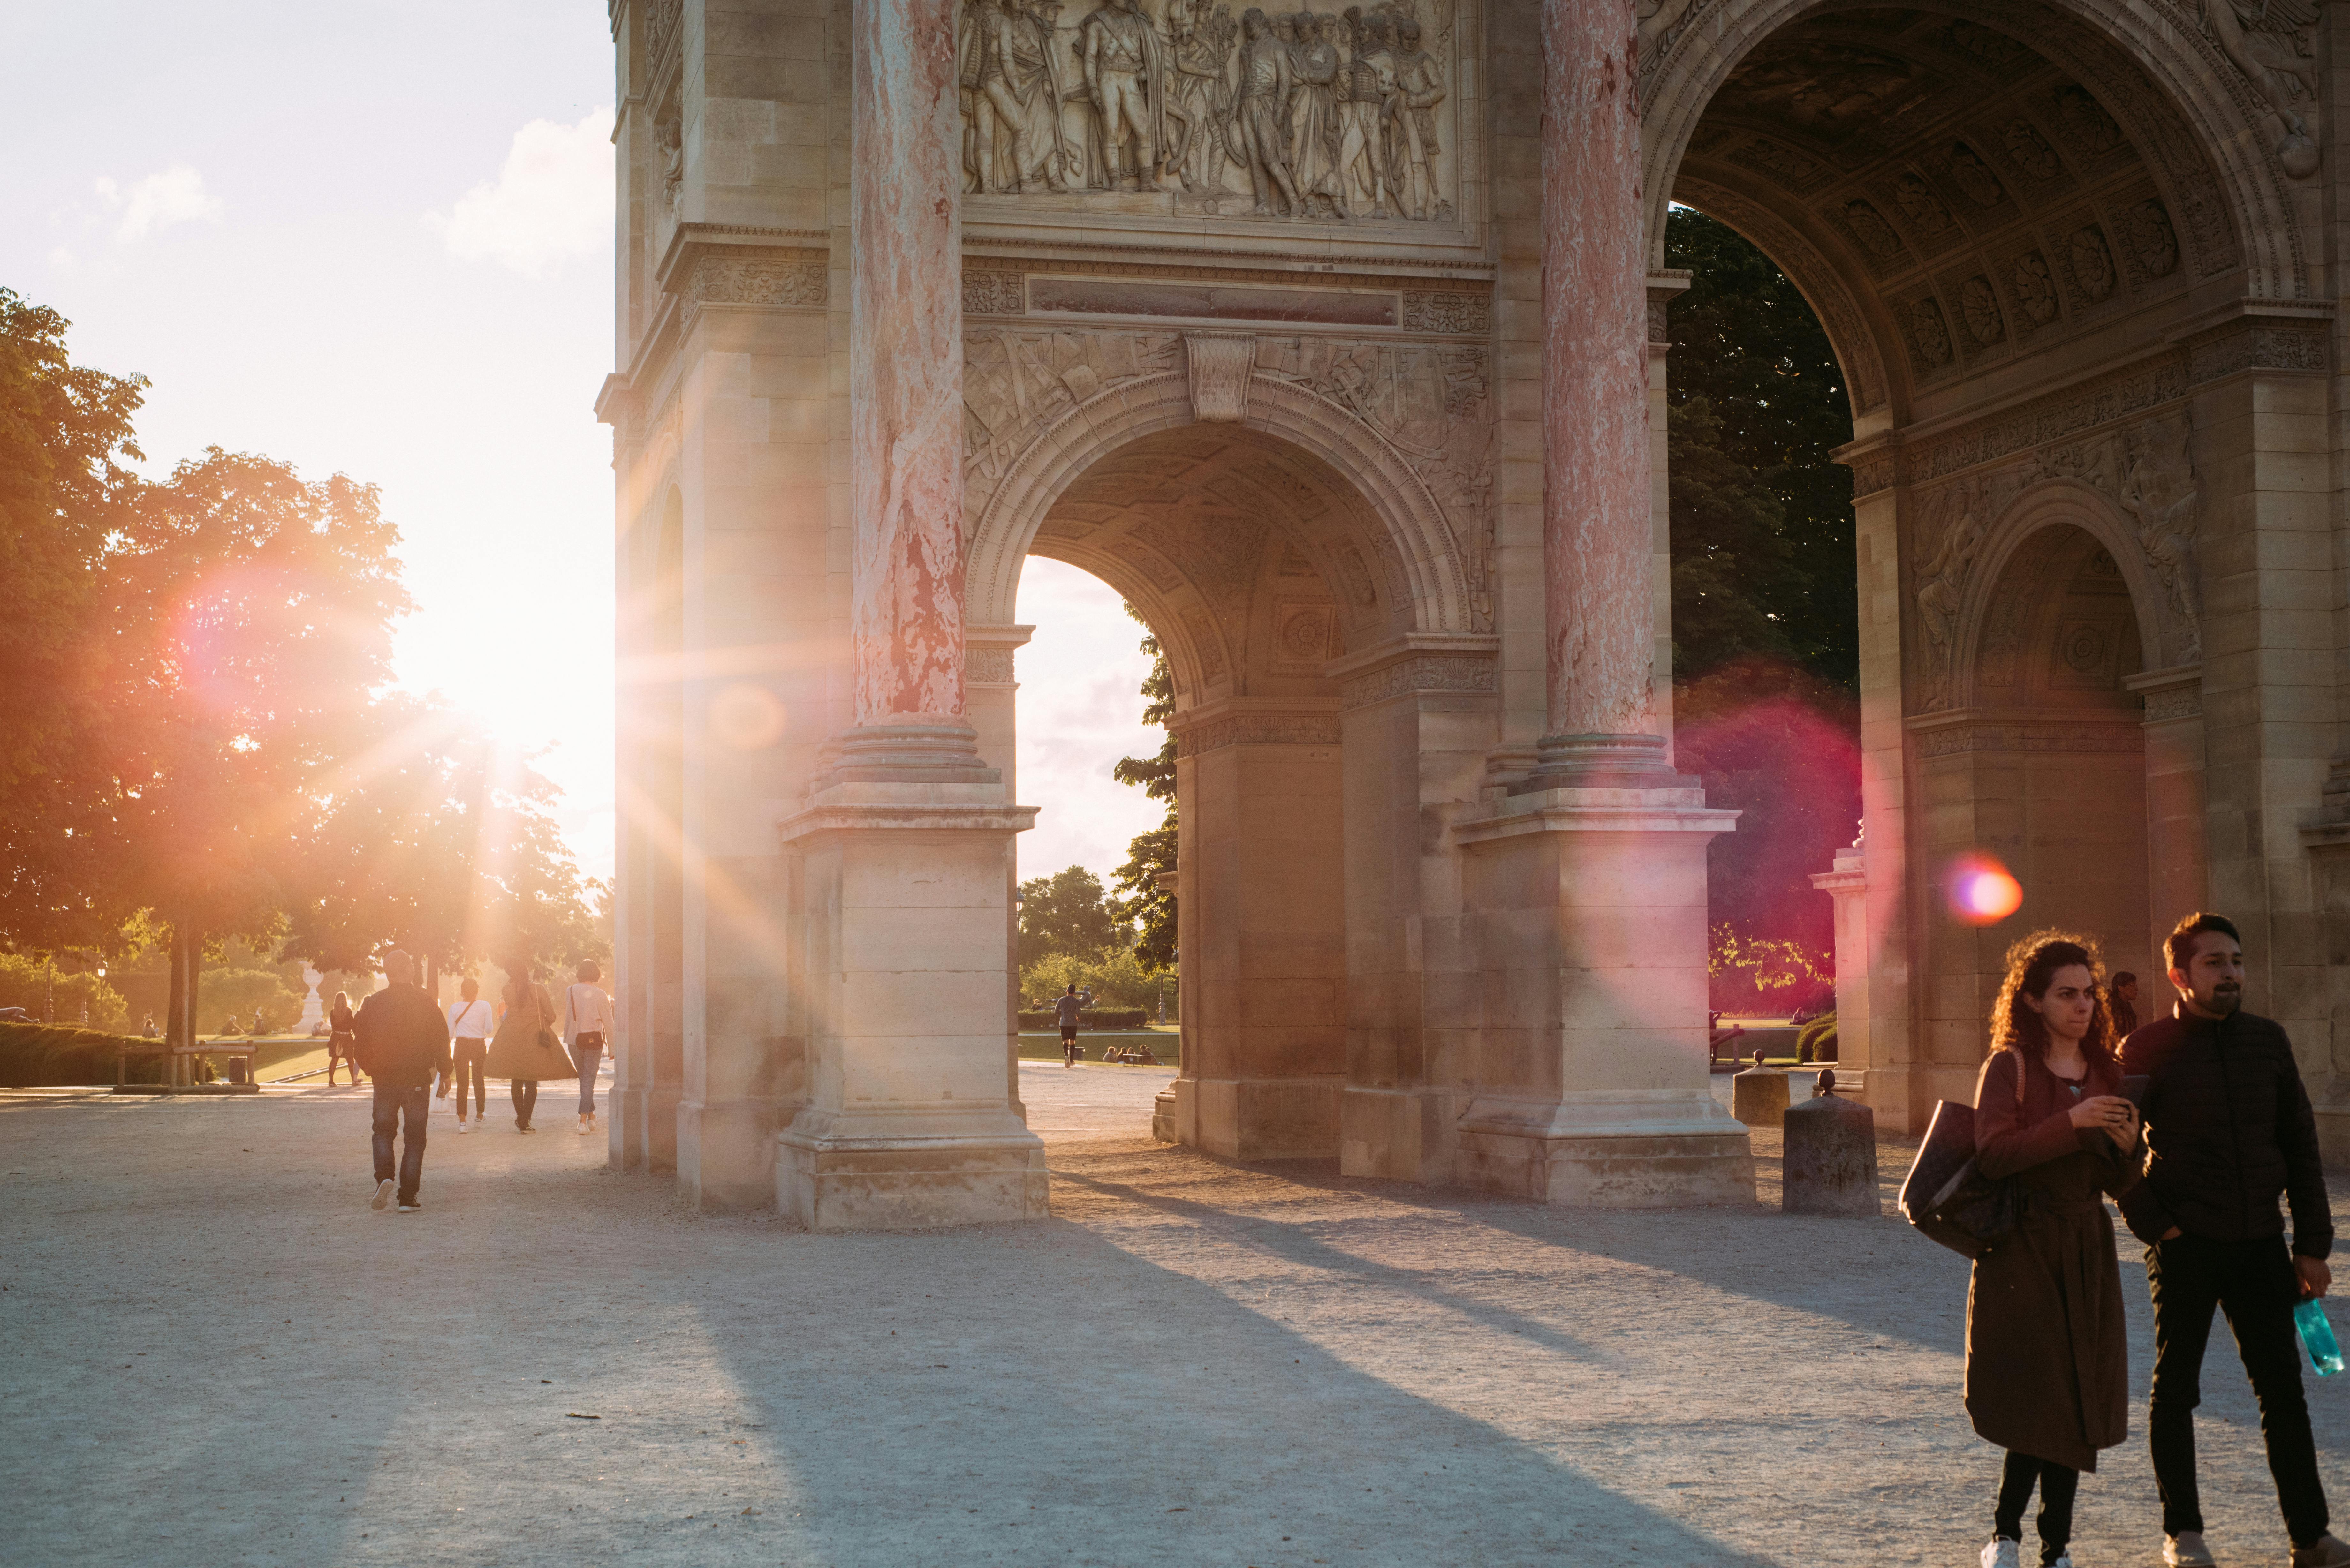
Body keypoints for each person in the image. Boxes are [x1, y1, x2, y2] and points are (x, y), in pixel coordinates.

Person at [2120, 913, 2348, 1568]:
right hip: (2184, 1242)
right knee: (2176, 1389)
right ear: (2179, 974)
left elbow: (2299, 1145)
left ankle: (2308, 1535)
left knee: (2282, 1390)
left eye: (2236, 961)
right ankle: (2182, 1532)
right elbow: (2111, 1150)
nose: (2229, 973)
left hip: (2259, 1242)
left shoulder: (2267, 1042)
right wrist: (2154, 1222)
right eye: (2214, 962)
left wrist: (2311, 1244)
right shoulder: (2146, 1048)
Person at [1970, 933, 2140, 1568]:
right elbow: (1993, 1154)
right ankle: (2004, 1533)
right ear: (2033, 1001)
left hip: (2085, 1244)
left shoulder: (2107, 1072)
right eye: (2065, 993)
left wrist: (2127, 1147)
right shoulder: (2008, 1067)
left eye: (2087, 992)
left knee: (2074, 1395)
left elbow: (2120, 1184)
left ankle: (2056, 1545)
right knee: (2033, 1392)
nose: (2082, 1005)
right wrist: (2070, 1123)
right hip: (2021, 1246)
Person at [352, 950, 450, 1215]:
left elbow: (359, 1042)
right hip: (416, 1077)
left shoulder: (373, 1003)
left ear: (387, 973)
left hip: (385, 1078)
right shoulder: (425, 1002)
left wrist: (371, 1068)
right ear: (411, 971)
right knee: (415, 1138)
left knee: (383, 1131)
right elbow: (441, 1039)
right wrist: (446, 1071)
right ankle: (408, 1197)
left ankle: (384, 1175)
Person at [485, 962, 572, 1134]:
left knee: (516, 1079)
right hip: (534, 1037)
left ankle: (521, 1118)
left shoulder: (507, 990)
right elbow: (552, 1015)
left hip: (513, 1036)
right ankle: (525, 1119)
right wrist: (540, 1023)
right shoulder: (539, 989)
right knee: (531, 1080)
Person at [562, 960, 614, 1137]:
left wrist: (568, 1037)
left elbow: (569, 1017)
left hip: (574, 1041)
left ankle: (592, 1116)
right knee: (588, 1079)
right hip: (593, 1042)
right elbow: (609, 1022)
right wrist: (613, 1048)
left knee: (584, 1079)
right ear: (596, 973)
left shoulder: (569, 991)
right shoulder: (600, 994)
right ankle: (583, 1121)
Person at [445, 977, 493, 1134]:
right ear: (477, 990)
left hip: (461, 1045)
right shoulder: (485, 1006)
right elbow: (489, 1030)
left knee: (462, 1083)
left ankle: (462, 1122)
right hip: (478, 1046)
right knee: (479, 1081)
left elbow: (450, 1034)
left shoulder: (455, 1008)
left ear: (462, 991)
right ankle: (479, 1116)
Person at [326, 991, 360, 1087]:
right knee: (350, 1060)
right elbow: (352, 1025)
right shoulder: (348, 1011)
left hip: (336, 1037)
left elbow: (333, 1027)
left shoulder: (333, 1012)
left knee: (334, 1060)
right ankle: (354, 1080)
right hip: (347, 1038)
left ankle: (331, 1081)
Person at [1056, 983, 1084, 1067]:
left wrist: (1064, 1014)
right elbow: (1079, 1012)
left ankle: (1066, 1056)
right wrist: (1078, 1018)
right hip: (1073, 1024)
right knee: (1072, 1042)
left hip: (1063, 1023)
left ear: (1067, 991)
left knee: (1065, 1041)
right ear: (1074, 992)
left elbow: (1056, 1011)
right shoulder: (1076, 1001)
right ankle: (1071, 1060)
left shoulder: (1061, 1000)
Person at [2110, 971, 2139, 1038]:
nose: (2137, 989)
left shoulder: (2127, 1007)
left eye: (2136, 986)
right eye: (2132, 985)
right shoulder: (2112, 1008)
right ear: (2121, 988)